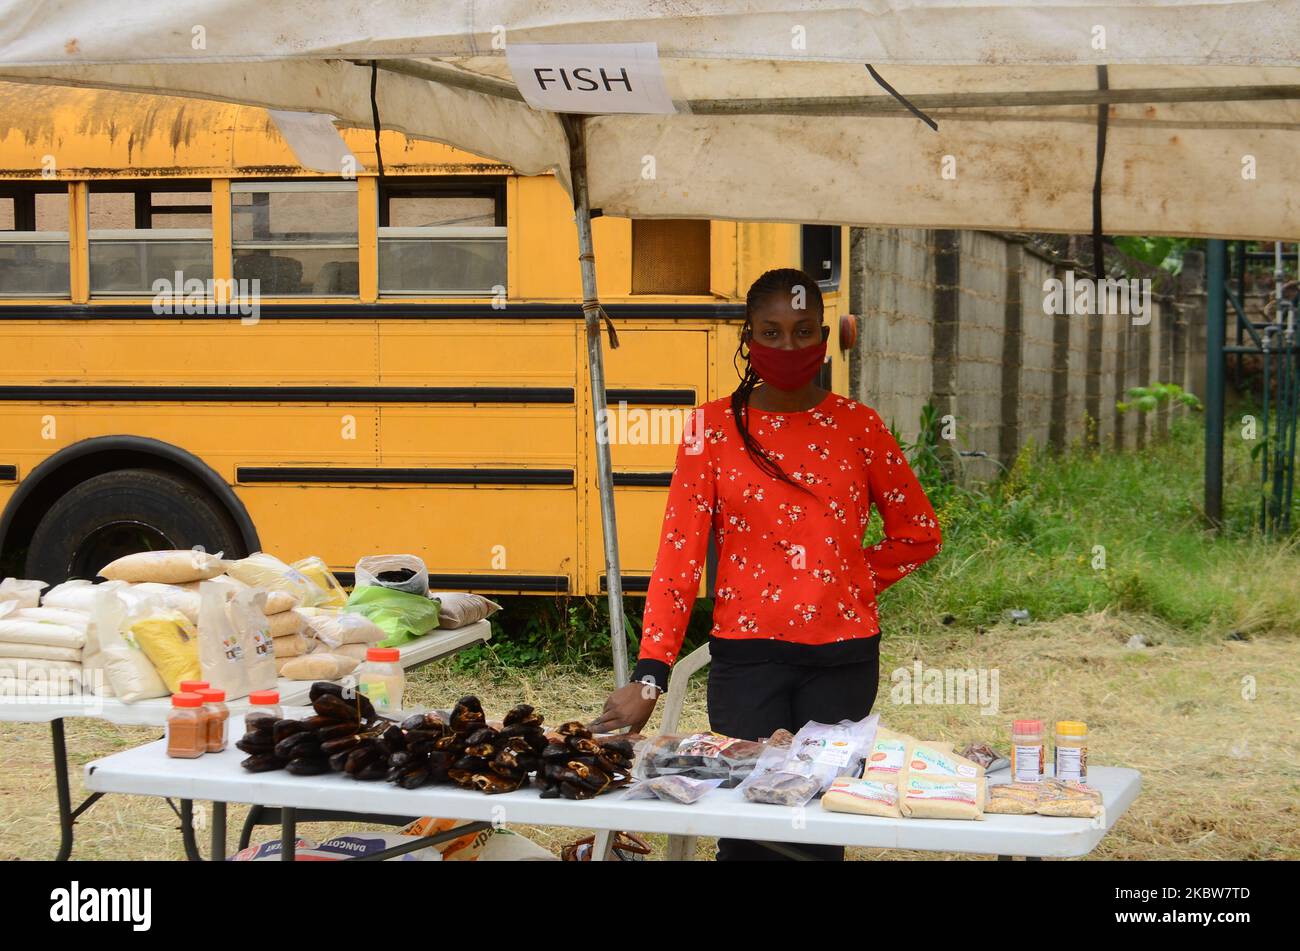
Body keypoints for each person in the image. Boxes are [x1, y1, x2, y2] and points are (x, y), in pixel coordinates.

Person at [591, 267, 942, 861]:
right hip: (746, 664)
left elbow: (918, 532)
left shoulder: (859, 427)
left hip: (842, 660)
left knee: (821, 825)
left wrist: (850, 578)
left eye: (803, 331)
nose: (788, 347)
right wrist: (650, 676)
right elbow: (678, 557)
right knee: (749, 824)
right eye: (771, 332)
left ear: (824, 337)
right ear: (747, 337)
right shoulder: (710, 429)